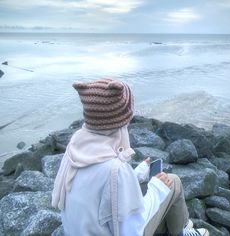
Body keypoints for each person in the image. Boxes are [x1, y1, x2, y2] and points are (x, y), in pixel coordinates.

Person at [52, 79, 209, 236]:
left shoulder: (74, 148)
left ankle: (178, 224)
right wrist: (157, 189)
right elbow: (132, 231)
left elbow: (99, 193)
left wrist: (136, 175)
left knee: (145, 188)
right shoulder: (115, 170)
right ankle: (180, 229)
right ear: (121, 119)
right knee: (172, 182)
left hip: (78, 230)